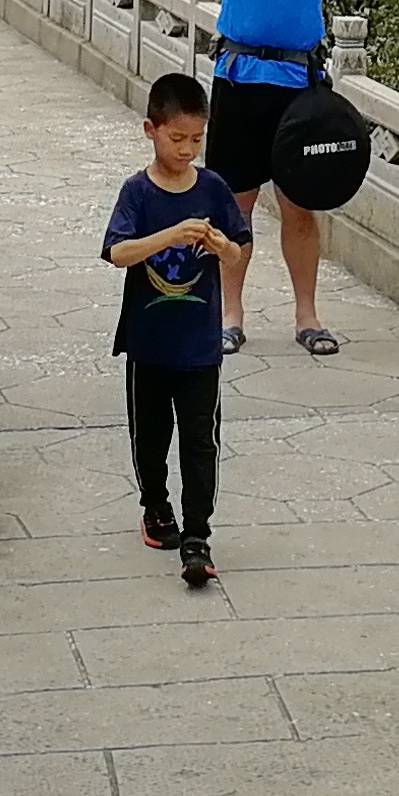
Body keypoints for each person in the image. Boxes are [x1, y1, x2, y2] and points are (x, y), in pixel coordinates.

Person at [191, 0, 345, 358]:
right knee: (234, 206)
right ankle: (229, 315)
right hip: (239, 76)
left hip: (298, 81)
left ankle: (307, 315)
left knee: (300, 204)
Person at [105, 70, 249, 588]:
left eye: (196, 139)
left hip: (200, 347)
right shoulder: (136, 193)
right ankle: (155, 507)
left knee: (200, 441)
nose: (187, 149)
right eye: (176, 139)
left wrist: (219, 247)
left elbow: (238, 248)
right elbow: (118, 252)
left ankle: (198, 535)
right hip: (148, 345)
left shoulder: (212, 189)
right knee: (150, 438)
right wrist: (169, 233)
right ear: (151, 130)